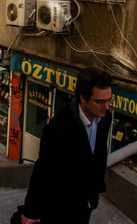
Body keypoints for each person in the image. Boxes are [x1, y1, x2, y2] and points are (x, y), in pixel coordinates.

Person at [21, 67, 113, 224]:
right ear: (83, 98)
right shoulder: (58, 128)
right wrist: (31, 211)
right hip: (61, 206)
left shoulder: (105, 118)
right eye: (100, 102)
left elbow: (98, 153)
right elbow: (43, 170)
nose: (107, 107)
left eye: (109, 100)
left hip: (86, 202)